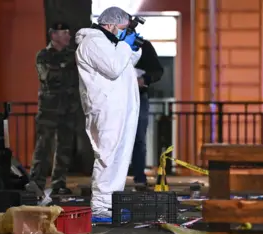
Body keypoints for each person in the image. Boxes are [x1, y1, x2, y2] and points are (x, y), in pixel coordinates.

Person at [75, 7, 142, 218]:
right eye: (123, 28)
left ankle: (111, 202)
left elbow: (124, 64)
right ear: (111, 25)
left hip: (118, 108)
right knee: (107, 155)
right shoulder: (93, 41)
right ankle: (101, 205)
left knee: (119, 156)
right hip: (105, 108)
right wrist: (124, 44)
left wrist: (134, 48)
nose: (123, 32)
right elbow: (113, 67)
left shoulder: (109, 43)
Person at [29, 22, 80, 196]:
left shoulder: (74, 55)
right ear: (54, 35)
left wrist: (60, 70)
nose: (69, 36)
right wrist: (65, 68)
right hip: (49, 110)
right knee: (43, 147)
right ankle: (36, 183)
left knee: (64, 148)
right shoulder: (43, 55)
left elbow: (79, 77)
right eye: (64, 32)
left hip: (69, 108)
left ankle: (59, 183)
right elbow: (48, 76)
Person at [131, 40, 164, 189]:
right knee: (113, 140)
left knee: (139, 138)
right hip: (113, 98)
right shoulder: (108, 43)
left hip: (138, 96)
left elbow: (157, 70)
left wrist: (144, 79)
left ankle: (139, 178)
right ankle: (110, 179)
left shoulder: (142, 45)